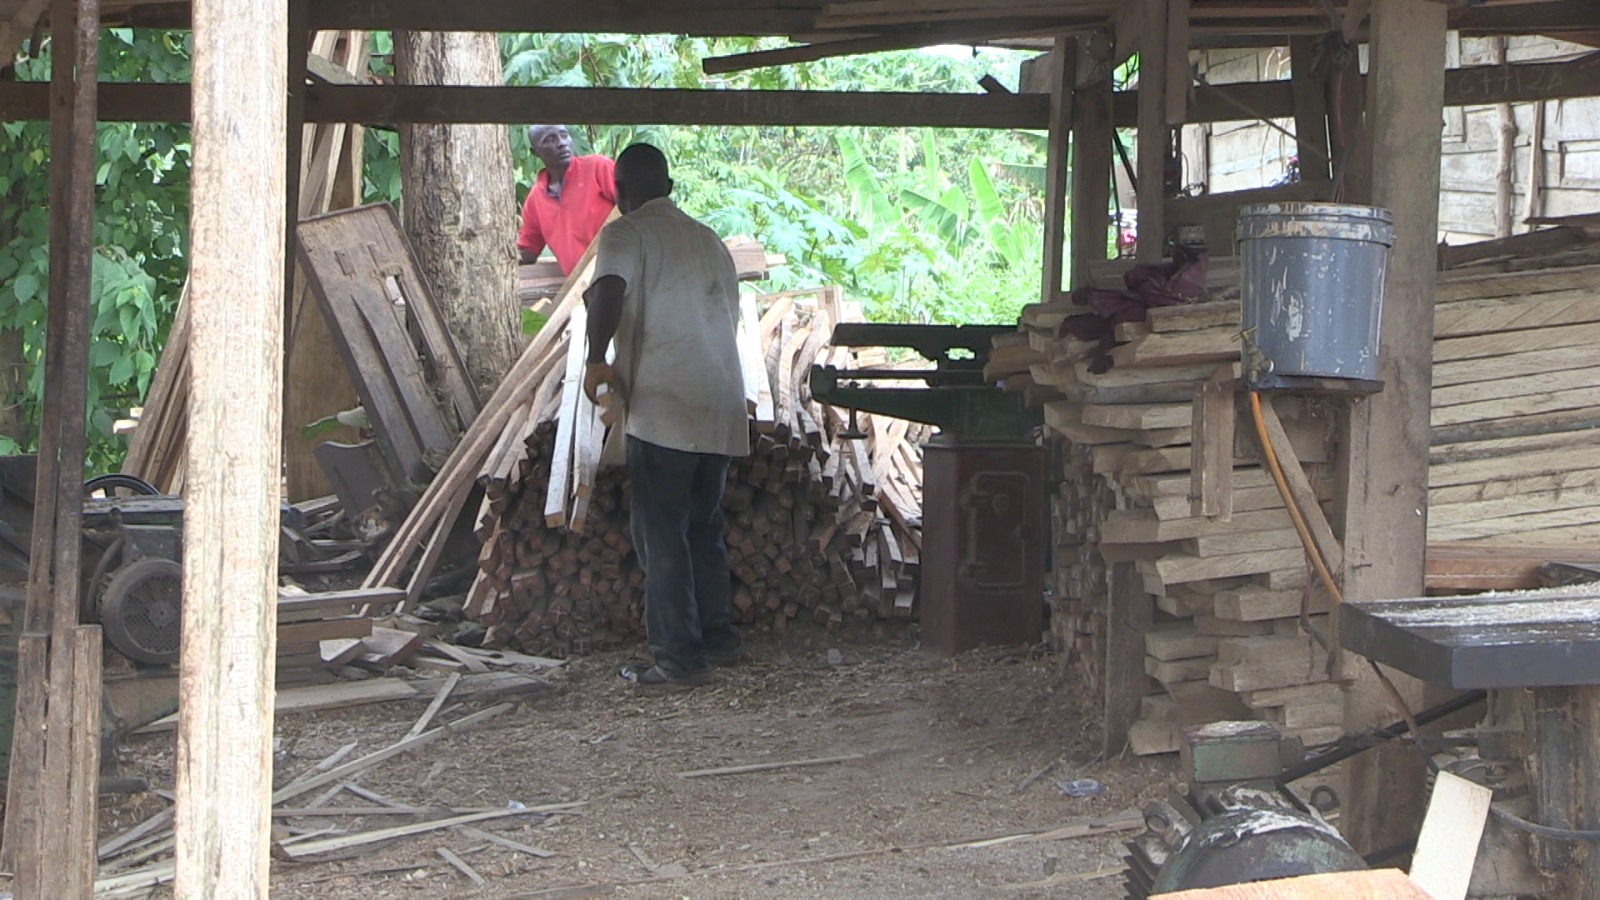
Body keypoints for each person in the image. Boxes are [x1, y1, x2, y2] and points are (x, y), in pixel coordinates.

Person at [582, 143, 749, 688]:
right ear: (671, 187)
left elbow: (607, 289)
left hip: (665, 404)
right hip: (719, 402)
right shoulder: (708, 240)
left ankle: (679, 659)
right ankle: (719, 639)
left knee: (662, 532)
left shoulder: (625, 233)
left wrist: (594, 358)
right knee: (704, 525)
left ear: (621, 193)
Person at [517, 124, 616, 275]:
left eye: (564, 135)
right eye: (550, 139)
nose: (561, 143)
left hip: (619, 273)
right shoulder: (535, 200)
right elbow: (529, 250)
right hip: (580, 287)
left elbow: (636, 210)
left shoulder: (598, 168)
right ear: (535, 152)